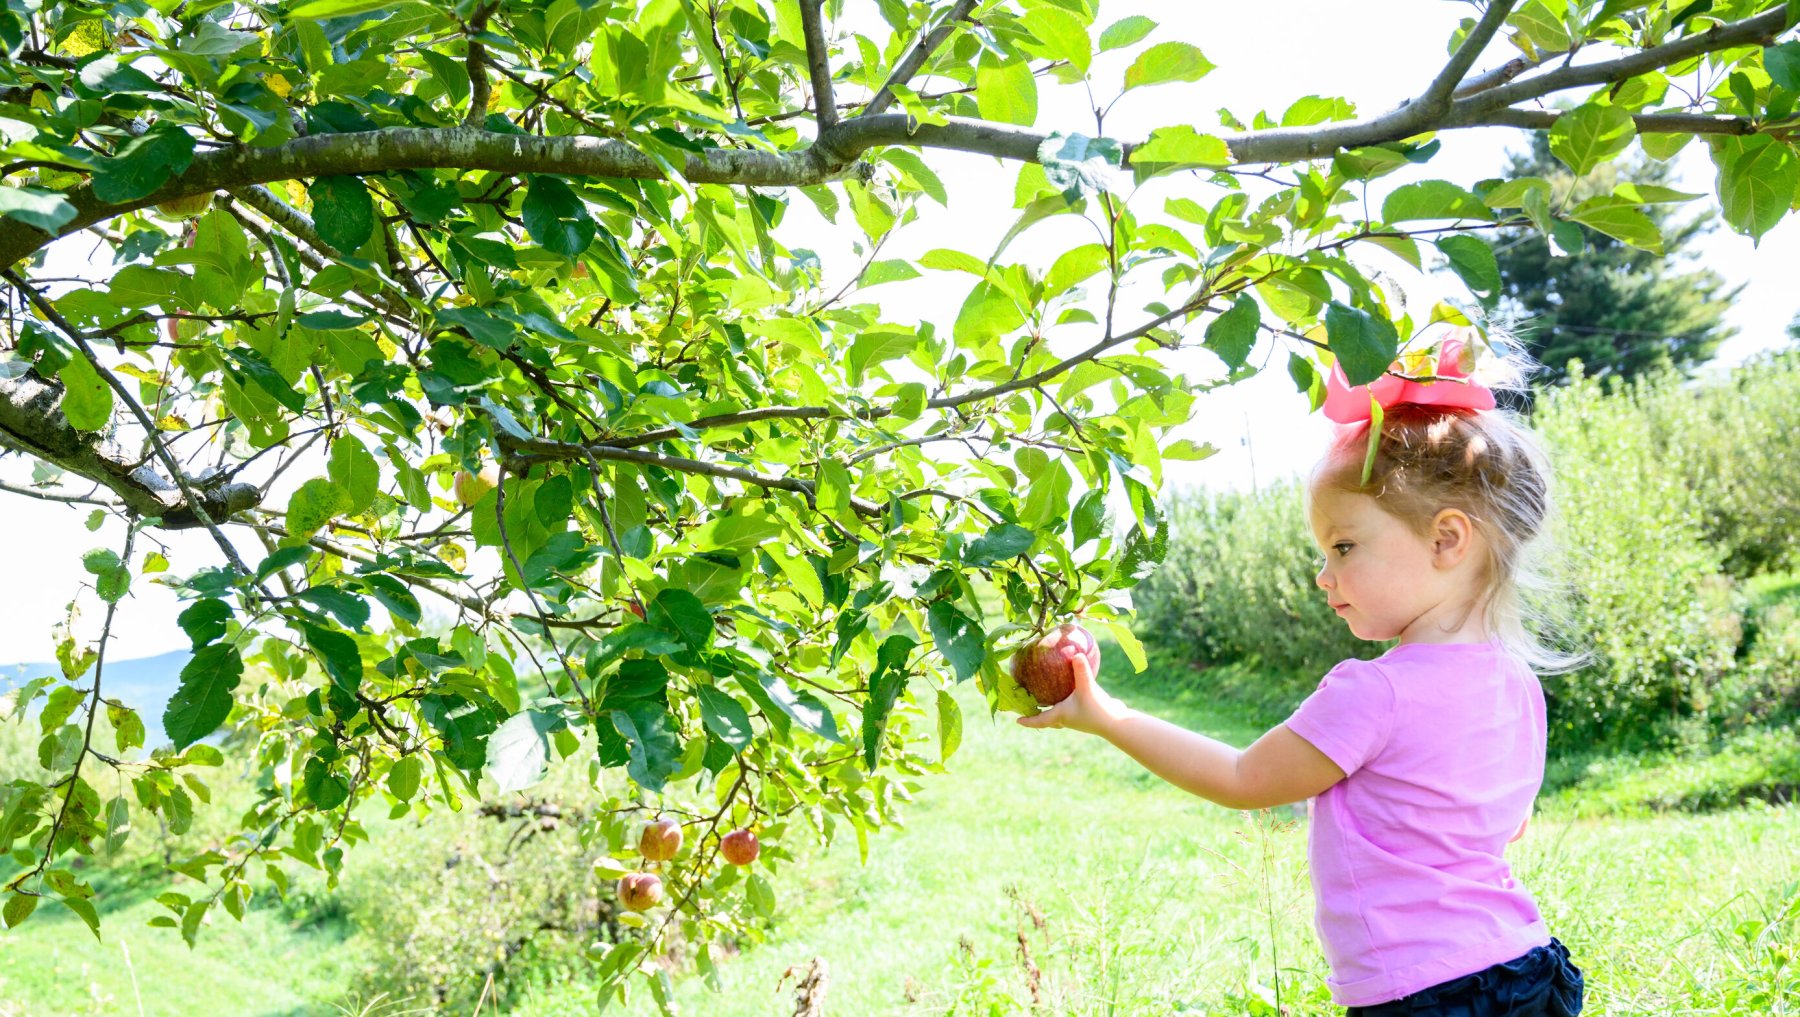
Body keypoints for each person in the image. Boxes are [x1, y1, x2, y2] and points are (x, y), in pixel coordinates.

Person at [1018, 332, 1586, 1015]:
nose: (1324, 575)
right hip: (1526, 968)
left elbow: (1242, 779)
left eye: (1344, 545)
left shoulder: (1375, 691)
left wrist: (1103, 714)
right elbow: (1507, 822)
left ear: (1446, 539)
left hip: (1425, 991)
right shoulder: (1515, 684)